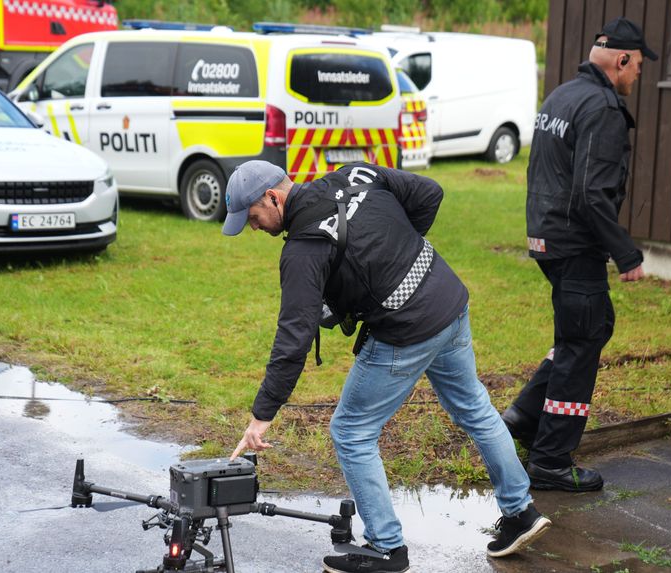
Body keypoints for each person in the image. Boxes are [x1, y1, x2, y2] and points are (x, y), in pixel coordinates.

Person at [223, 160, 551, 572]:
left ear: (273, 197)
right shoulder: (353, 175)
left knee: (351, 432)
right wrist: (398, 254)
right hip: (448, 302)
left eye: (253, 218)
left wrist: (262, 415)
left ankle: (385, 548)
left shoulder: (304, 249)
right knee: (475, 407)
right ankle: (521, 513)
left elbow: (294, 338)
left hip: (406, 331)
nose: (254, 228)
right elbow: (429, 192)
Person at [502, 17, 657, 492]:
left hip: (548, 237)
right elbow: (592, 192)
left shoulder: (562, 96)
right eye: (638, 66)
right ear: (622, 59)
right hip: (575, 242)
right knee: (583, 340)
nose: (638, 75)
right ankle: (550, 460)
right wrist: (625, 253)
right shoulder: (603, 108)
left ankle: (524, 416)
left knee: (588, 328)